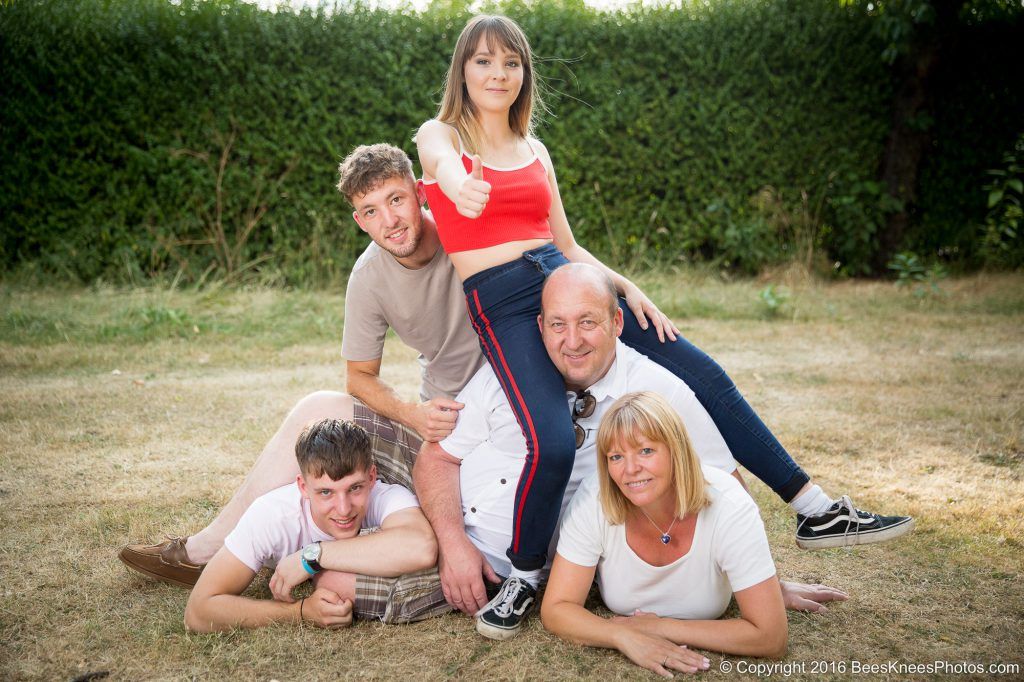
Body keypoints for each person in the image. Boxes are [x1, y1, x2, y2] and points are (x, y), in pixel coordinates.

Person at [415, 14, 911, 636]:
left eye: (511, 63)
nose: (499, 74)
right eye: (485, 61)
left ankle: (815, 509)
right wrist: (459, 187)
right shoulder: (442, 137)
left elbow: (565, 244)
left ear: (524, 75)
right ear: (463, 70)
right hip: (506, 301)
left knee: (701, 371)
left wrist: (625, 285)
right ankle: (525, 576)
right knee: (553, 440)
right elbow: (442, 165)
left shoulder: (535, 150)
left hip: (563, 276)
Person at [414, 263, 858, 640]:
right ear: (539, 327)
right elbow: (437, 457)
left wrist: (762, 583)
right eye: (557, 324)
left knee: (368, 583)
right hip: (440, 527)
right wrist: (452, 544)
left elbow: (724, 484)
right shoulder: (506, 376)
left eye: (588, 322)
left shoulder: (657, 389)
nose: (572, 341)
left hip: (508, 574)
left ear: (617, 323)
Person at [119, 143, 478, 586]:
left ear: (420, 193)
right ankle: (207, 550)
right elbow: (358, 378)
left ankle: (305, 548)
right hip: (439, 425)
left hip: (500, 410)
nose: (389, 221)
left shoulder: (469, 236)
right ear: (358, 220)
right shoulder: (368, 277)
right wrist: (413, 415)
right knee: (318, 408)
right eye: (370, 211)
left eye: (396, 200)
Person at [541, 392, 787, 675]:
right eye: (616, 456)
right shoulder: (594, 500)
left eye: (646, 451)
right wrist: (623, 636)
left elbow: (771, 637)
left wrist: (660, 627)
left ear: (676, 450)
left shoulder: (729, 506)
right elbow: (557, 608)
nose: (630, 470)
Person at [184, 418, 447, 632]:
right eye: (325, 493)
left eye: (354, 488)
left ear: (372, 477)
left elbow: (421, 548)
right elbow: (198, 611)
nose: (343, 509)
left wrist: (312, 555)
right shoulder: (272, 515)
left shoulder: (386, 495)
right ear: (302, 487)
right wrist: (300, 612)